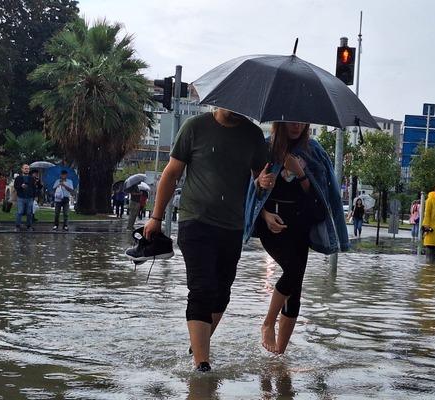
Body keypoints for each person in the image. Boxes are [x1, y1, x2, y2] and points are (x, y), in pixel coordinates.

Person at [143, 108, 270, 372]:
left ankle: (197, 344)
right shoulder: (194, 127)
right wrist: (155, 217)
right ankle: (202, 364)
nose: (235, 111)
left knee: (221, 293)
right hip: (195, 221)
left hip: (233, 226)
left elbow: (259, 180)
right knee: (201, 288)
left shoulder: (253, 135)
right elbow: (171, 173)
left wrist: (264, 183)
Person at [244, 121, 349, 355]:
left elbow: (318, 198)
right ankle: (268, 322)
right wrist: (263, 205)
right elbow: (250, 191)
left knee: (296, 287)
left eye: (302, 123)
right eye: (292, 121)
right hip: (272, 224)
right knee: (291, 272)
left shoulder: (314, 151)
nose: (297, 127)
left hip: (301, 226)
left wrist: (300, 172)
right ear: (280, 122)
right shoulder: (264, 149)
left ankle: (279, 355)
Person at [14, 164, 36, 231]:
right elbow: (15, 187)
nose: (27, 170)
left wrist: (34, 196)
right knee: (20, 212)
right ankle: (18, 226)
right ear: (22, 169)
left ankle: (29, 226)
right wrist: (21, 186)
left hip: (29, 197)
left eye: (28, 169)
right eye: (25, 168)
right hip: (21, 197)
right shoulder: (18, 178)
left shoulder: (31, 178)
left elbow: (34, 188)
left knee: (29, 212)